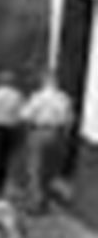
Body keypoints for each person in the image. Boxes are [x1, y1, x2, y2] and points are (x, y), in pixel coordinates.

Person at [21, 71, 75, 213]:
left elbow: (26, 116)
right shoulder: (64, 98)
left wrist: (30, 131)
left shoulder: (38, 97)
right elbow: (69, 120)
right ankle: (44, 200)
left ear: (43, 82)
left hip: (40, 132)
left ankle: (35, 204)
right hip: (57, 134)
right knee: (49, 169)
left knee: (35, 169)